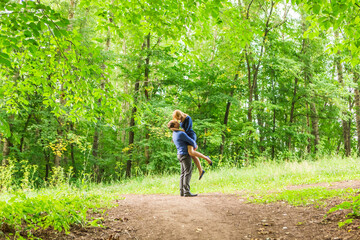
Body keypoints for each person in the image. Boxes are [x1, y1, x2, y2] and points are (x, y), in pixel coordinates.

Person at [171, 110, 212, 180]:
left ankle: (206, 158)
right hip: (186, 137)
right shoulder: (181, 119)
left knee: (191, 152)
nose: (177, 120)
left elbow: (185, 131)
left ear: (180, 115)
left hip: (190, 136)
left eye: (177, 118)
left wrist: (175, 129)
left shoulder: (187, 118)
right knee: (192, 155)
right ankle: (201, 170)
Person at [168, 120, 198, 197]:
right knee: (188, 172)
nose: (178, 123)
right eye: (176, 122)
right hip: (185, 154)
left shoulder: (174, 133)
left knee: (183, 173)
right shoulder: (181, 133)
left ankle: (182, 191)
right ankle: (187, 192)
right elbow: (191, 141)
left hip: (180, 154)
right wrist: (195, 145)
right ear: (174, 125)